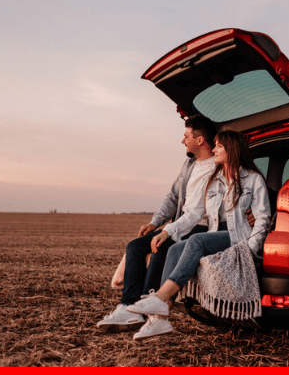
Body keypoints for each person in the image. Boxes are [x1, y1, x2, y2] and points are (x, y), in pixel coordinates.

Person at [125, 130, 271, 340]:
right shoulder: (215, 179)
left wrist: (249, 250)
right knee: (174, 249)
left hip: (240, 237)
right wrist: (167, 231)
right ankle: (159, 320)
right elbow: (195, 214)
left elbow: (263, 218)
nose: (214, 150)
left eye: (219, 146)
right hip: (218, 233)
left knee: (196, 240)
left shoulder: (253, 179)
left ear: (231, 149)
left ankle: (161, 296)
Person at [96, 114, 219, 330]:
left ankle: (147, 305)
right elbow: (172, 197)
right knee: (135, 246)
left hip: (200, 227)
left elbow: (196, 212)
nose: (183, 141)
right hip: (181, 224)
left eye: (186, 136)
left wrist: (168, 231)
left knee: (160, 247)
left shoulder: (217, 168)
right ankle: (128, 307)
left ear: (200, 140)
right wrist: (156, 223)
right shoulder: (189, 165)